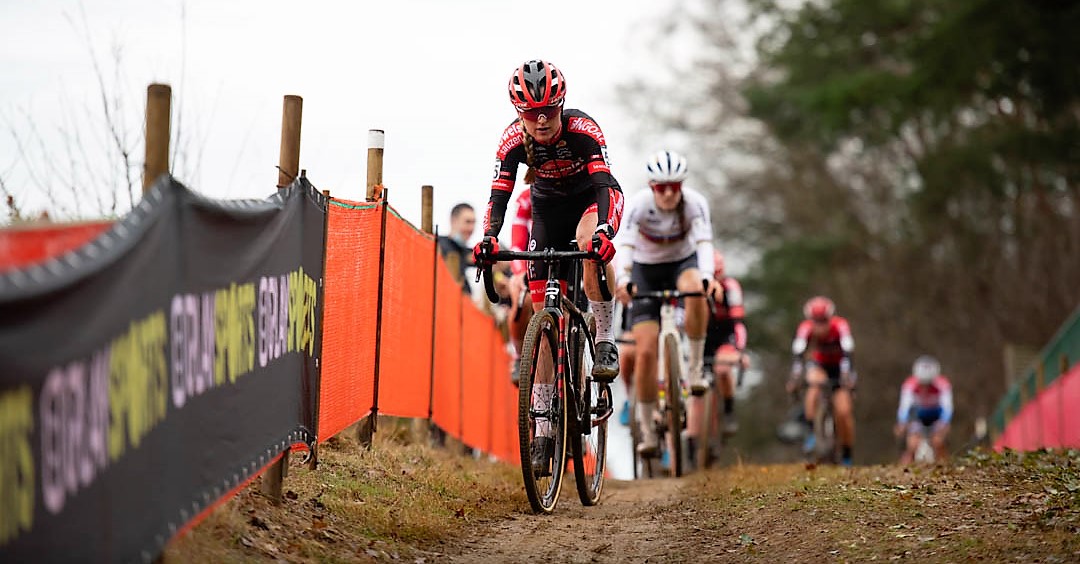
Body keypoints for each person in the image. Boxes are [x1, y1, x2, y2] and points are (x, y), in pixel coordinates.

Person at [473, 60, 624, 476]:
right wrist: (489, 237)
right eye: (530, 114)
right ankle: (542, 428)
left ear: (561, 105)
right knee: (542, 325)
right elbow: (499, 196)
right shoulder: (511, 142)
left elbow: (605, 185)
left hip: (591, 204)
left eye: (549, 111)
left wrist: (606, 230)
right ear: (518, 113)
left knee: (587, 245)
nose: (541, 121)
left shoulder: (583, 131)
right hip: (548, 210)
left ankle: (606, 336)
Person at [614, 149, 719, 457]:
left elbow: (704, 244)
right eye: (662, 187)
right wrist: (624, 280)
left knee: (696, 288)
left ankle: (696, 369)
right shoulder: (638, 206)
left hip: (680, 264)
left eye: (675, 186)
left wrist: (709, 276)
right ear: (651, 187)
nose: (669, 193)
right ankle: (647, 428)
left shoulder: (695, 204)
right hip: (646, 270)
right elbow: (626, 246)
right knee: (645, 351)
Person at [787, 296, 856, 466]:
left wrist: (847, 377)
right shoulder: (805, 328)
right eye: (816, 321)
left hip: (840, 367)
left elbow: (848, 353)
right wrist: (795, 378)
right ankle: (811, 431)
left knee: (844, 412)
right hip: (820, 365)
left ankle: (847, 452)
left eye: (823, 321)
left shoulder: (840, 326)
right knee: (813, 386)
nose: (820, 326)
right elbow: (798, 355)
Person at [895, 355, 953, 464]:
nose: (925, 388)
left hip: (936, 415)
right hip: (918, 416)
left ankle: (945, 468)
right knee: (912, 444)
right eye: (922, 383)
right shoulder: (909, 385)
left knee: (938, 442)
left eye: (928, 383)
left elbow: (947, 408)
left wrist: (945, 423)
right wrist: (902, 423)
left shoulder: (943, 384)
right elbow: (904, 408)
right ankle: (904, 471)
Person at [437, 202, 477, 294]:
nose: (471, 228)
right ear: (453, 221)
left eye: (474, 223)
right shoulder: (439, 245)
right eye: (467, 222)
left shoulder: (465, 252)